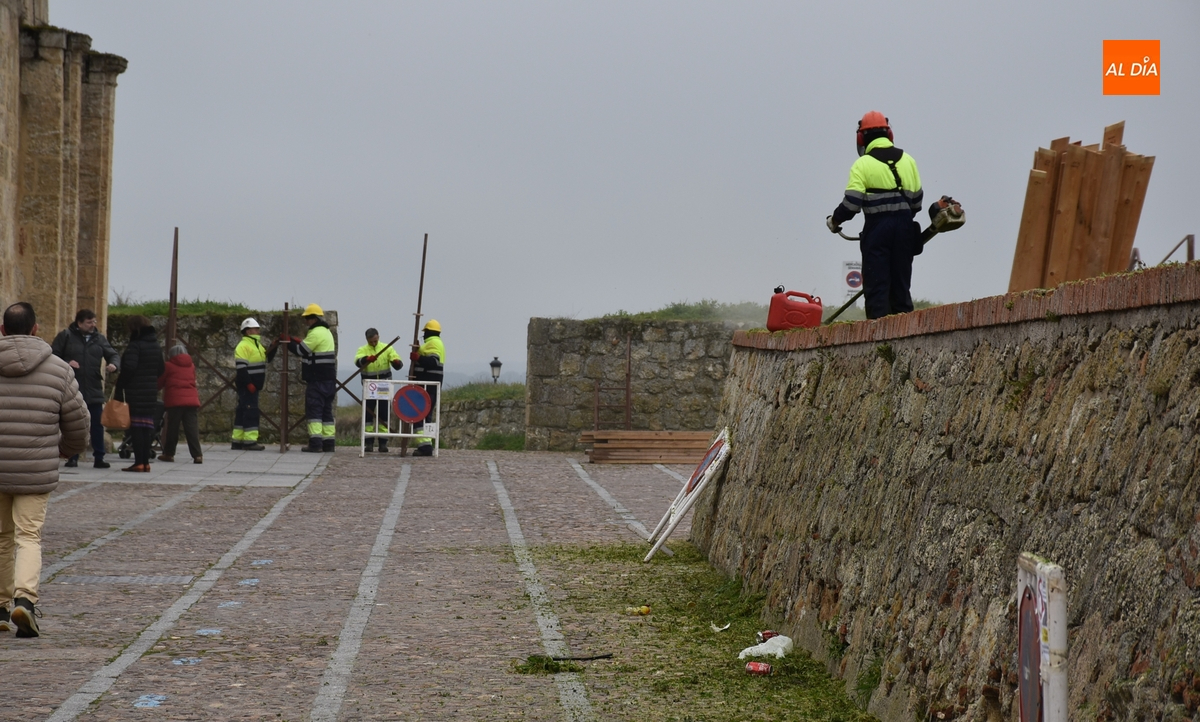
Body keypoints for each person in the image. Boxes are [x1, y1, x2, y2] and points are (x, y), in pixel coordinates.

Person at [0, 302, 90, 637]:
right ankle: (25, 599)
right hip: (35, 469)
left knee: (1, 537)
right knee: (28, 536)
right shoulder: (58, 370)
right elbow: (79, 422)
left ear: (2, 330)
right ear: (36, 329)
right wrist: (67, 449)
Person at [827, 111, 924, 320]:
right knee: (901, 289)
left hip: (877, 232)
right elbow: (916, 204)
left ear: (861, 138)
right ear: (889, 134)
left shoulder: (862, 165)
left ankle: (879, 344)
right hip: (906, 230)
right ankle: (905, 338)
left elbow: (851, 204)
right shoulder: (909, 161)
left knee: (877, 290)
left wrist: (834, 220)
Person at [51, 309, 120, 469]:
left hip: (94, 388)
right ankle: (72, 457)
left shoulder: (99, 339)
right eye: (89, 322)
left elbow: (112, 354)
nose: (93, 325)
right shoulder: (66, 336)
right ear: (79, 323)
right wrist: (67, 362)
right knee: (73, 425)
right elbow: (53, 355)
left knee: (96, 424)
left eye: (94, 321)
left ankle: (99, 456)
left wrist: (114, 365)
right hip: (73, 388)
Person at [113, 315, 164, 472]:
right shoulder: (155, 346)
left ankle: (139, 463)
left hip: (135, 391)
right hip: (150, 391)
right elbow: (161, 369)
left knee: (136, 428)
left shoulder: (135, 346)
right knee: (147, 427)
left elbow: (129, 367)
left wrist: (120, 385)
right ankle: (145, 462)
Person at [286, 304, 337, 453]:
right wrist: (297, 340)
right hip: (329, 380)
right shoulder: (327, 332)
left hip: (317, 380)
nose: (305, 322)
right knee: (327, 413)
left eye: (307, 319)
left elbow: (301, 350)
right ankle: (329, 444)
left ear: (313, 319)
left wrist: (288, 342)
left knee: (314, 412)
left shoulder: (315, 333)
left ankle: (315, 444)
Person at [232, 318, 277, 451]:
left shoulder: (257, 345)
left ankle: (237, 441)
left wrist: (273, 347)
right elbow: (241, 369)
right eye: (255, 329)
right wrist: (249, 384)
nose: (258, 331)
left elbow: (266, 358)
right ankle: (250, 442)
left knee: (242, 411)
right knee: (251, 411)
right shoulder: (244, 346)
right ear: (248, 331)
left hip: (252, 386)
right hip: (248, 386)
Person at [355, 328, 403, 453]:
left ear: (378, 337)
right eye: (371, 342)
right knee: (368, 415)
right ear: (367, 340)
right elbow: (358, 361)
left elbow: (397, 361)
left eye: (376, 341)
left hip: (384, 387)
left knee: (384, 414)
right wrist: (366, 359)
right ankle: (368, 442)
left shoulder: (387, 348)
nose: (374, 344)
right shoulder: (362, 349)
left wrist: (396, 363)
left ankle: (383, 443)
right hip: (369, 388)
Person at [157, 345, 203, 464]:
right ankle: (197, 455)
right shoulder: (191, 366)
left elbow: (160, 382)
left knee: (173, 428)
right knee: (191, 429)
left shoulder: (168, 366)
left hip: (175, 401)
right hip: (192, 401)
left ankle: (169, 454)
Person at [410, 319, 445, 457]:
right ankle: (426, 444)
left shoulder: (433, 343)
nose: (423, 335)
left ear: (429, 332)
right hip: (427, 385)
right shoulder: (433, 343)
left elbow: (433, 362)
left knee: (421, 414)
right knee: (424, 414)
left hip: (428, 385)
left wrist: (418, 357)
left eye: (424, 333)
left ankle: (425, 446)